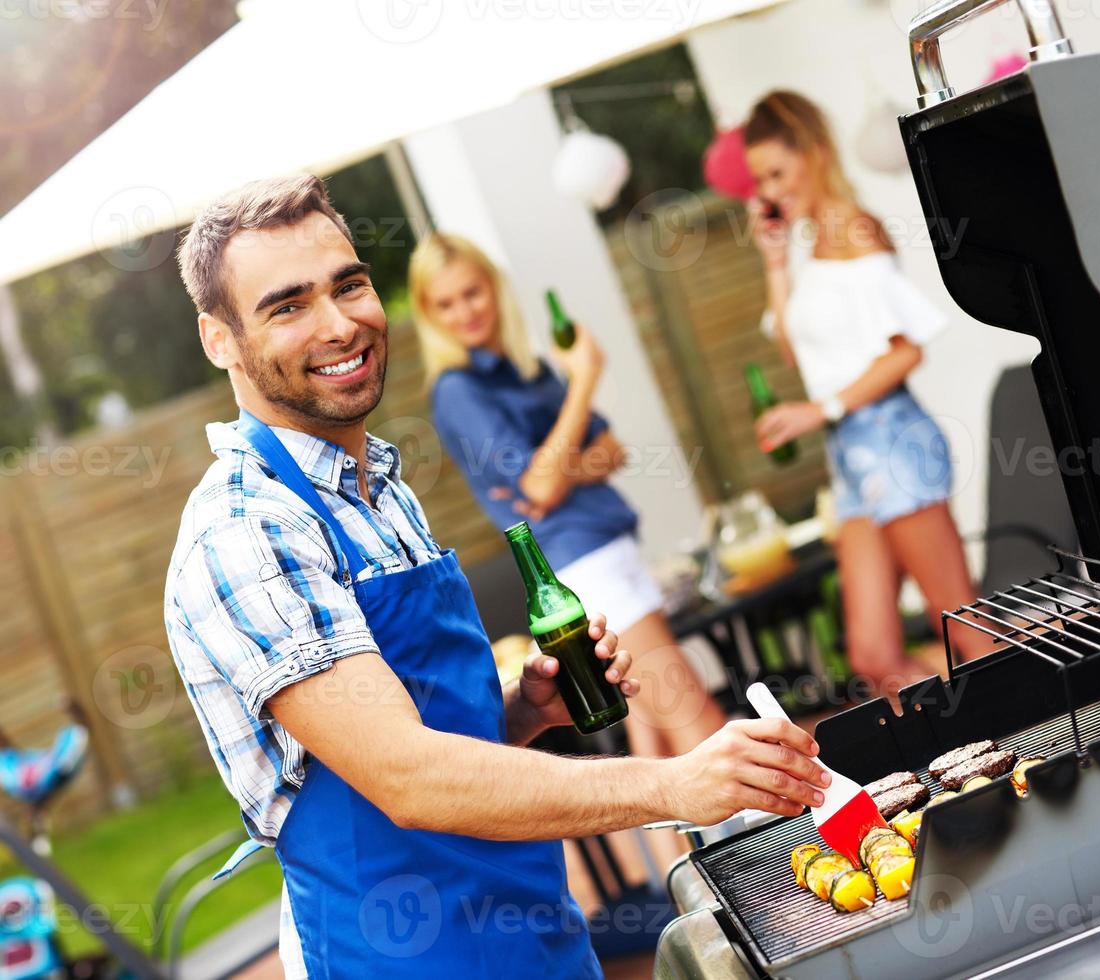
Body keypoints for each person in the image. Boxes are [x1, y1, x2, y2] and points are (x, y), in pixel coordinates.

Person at [162, 175, 828, 978]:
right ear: (218, 339)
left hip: (533, 930)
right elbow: (407, 777)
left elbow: (424, 736)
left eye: (350, 285)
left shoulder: (380, 484)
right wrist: (672, 785)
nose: (340, 324)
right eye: (288, 305)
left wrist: (520, 710)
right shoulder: (246, 532)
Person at [409, 232, 727, 758]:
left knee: (657, 739)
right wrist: (584, 380)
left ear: (495, 288)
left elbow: (609, 450)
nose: (464, 311)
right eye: (445, 303)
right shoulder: (458, 390)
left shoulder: (525, 368)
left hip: (610, 547)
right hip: (585, 567)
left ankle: (692, 843)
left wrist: (559, 471)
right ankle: (784, 842)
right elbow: (539, 485)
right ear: (427, 313)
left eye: (473, 292)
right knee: (699, 723)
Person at [744, 91, 992, 693]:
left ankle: (1056, 729)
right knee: (873, 656)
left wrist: (821, 409)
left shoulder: (852, 228)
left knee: (965, 629)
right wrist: (774, 263)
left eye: (778, 172)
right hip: (851, 462)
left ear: (816, 152)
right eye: (760, 181)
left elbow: (906, 350)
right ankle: (967, 745)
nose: (770, 192)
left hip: (891, 441)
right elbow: (799, 356)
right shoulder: (809, 246)